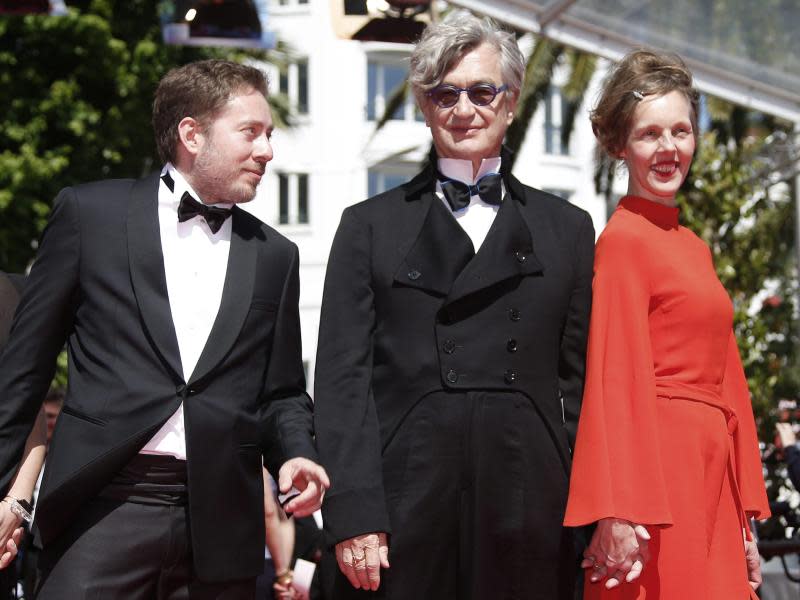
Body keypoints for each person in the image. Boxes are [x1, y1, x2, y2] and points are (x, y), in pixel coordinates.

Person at [0, 59, 329, 599]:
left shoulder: (277, 256)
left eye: (269, 135)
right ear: (191, 134)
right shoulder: (89, 214)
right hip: (99, 510)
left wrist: (296, 451)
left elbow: (283, 393)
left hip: (223, 525)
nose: (268, 151)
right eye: (250, 132)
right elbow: (23, 372)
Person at [313, 12, 594, 600]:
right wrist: (356, 512)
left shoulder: (567, 228)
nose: (464, 109)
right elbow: (343, 383)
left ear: (511, 101)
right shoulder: (368, 227)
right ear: (423, 103)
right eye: (446, 93)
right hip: (403, 502)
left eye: (482, 91)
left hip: (528, 498)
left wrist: (596, 513)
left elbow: (586, 388)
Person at [563, 49, 770, 599]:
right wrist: (617, 509)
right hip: (660, 476)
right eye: (650, 134)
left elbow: (729, 382)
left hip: (711, 475)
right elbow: (611, 380)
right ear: (619, 145)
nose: (669, 148)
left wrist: (745, 512)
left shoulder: (695, 248)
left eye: (681, 130)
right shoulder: (625, 241)